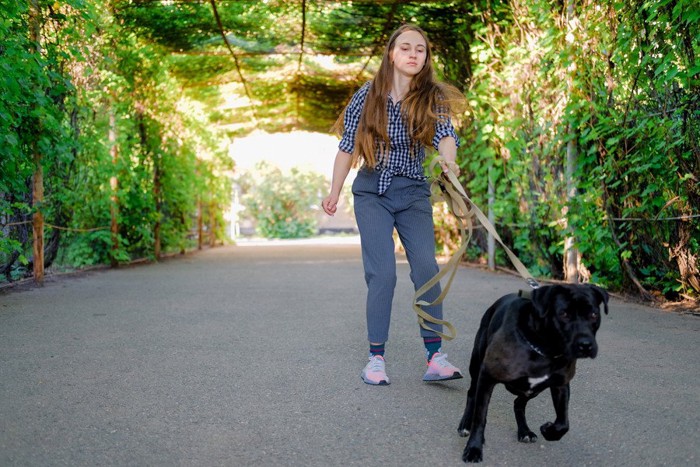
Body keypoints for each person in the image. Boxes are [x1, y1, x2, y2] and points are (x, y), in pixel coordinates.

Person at [322, 24, 465, 386]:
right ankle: (375, 358)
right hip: (372, 191)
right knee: (382, 273)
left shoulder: (432, 98)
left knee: (426, 269)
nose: (414, 54)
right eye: (406, 47)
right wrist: (334, 192)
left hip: (414, 191)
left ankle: (435, 357)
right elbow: (347, 146)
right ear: (391, 54)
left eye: (421, 49)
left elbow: (446, 135)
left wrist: (448, 163)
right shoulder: (366, 96)